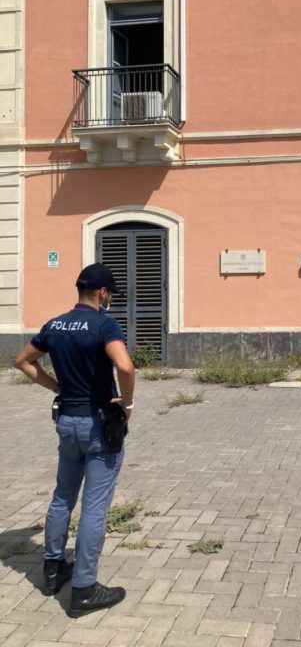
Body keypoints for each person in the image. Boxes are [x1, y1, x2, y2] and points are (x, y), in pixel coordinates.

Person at [14, 263, 136, 617]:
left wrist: (57, 387)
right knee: (94, 507)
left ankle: (53, 569)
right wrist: (127, 404)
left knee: (62, 496)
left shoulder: (54, 325)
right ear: (103, 293)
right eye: (110, 294)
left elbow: (23, 361)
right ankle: (84, 589)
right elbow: (125, 366)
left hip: (67, 422)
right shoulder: (104, 325)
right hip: (99, 425)